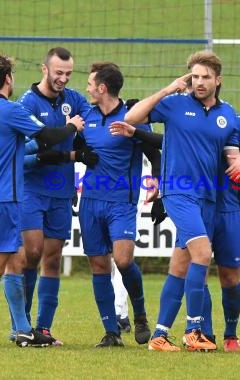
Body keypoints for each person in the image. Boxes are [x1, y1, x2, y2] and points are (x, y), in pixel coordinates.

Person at [124, 50, 240, 352]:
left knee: (180, 265)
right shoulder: (175, 104)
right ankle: (194, 330)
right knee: (203, 254)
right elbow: (131, 117)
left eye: (206, 77)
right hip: (179, 191)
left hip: (207, 197)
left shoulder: (227, 115)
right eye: (195, 76)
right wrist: (167, 89)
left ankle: (159, 336)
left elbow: (232, 158)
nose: (199, 81)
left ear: (218, 80)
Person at [0, 51, 85, 347]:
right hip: (5, 198)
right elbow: (48, 136)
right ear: (8, 80)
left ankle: (23, 329)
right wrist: (72, 127)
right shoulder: (10, 111)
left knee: (14, 264)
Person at [12, 47, 94, 345]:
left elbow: (94, 116)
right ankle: (21, 325)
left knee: (53, 258)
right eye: (58, 72)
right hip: (31, 189)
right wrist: (69, 134)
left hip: (61, 191)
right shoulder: (26, 103)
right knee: (30, 254)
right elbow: (36, 149)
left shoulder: (73, 100)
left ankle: (43, 330)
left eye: (68, 74)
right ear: (44, 69)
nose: (63, 78)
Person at [76, 61, 161, 348]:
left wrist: (159, 184)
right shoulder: (85, 116)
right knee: (98, 265)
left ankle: (139, 314)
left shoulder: (132, 117)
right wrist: (79, 153)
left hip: (121, 202)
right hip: (89, 201)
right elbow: (75, 148)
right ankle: (111, 332)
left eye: (90, 84)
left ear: (102, 88)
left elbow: (154, 150)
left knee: (123, 261)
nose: (86, 88)